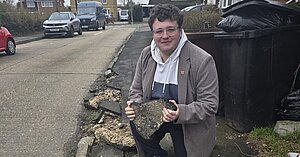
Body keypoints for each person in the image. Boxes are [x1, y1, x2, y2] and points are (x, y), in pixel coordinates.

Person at [125, 3, 219, 157]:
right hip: (155, 114)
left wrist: (180, 113)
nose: (165, 36)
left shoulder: (202, 60)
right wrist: (134, 104)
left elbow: (209, 105)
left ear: (180, 30)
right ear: (152, 33)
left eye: (170, 29)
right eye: (159, 31)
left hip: (185, 121)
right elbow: (136, 90)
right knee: (135, 121)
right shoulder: (146, 55)